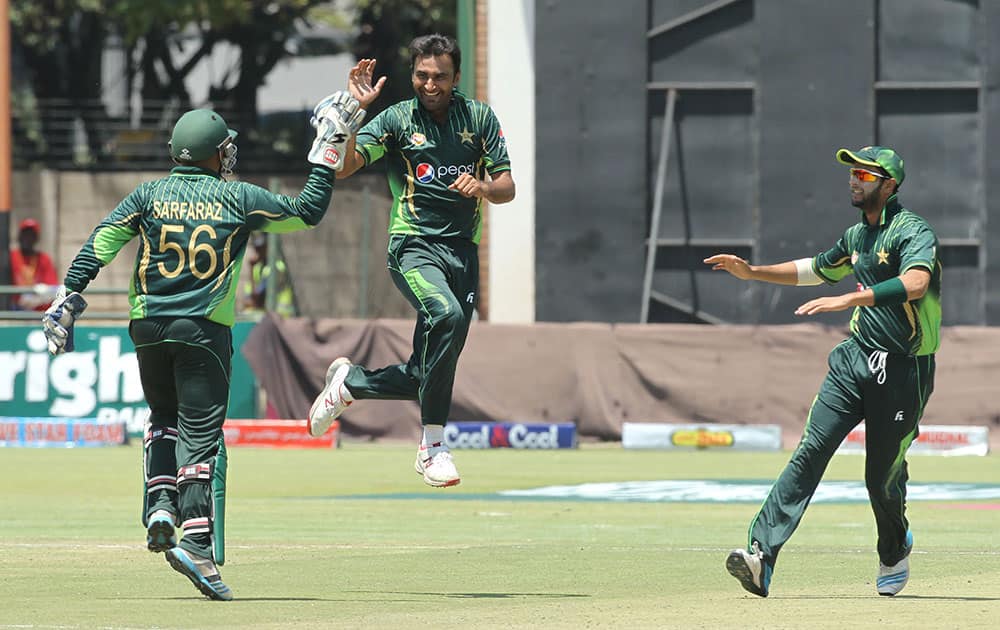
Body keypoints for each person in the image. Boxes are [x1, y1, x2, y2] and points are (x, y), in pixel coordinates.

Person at [41, 94, 365, 601]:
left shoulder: (147, 194)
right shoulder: (235, 198)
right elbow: (307, 212)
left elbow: (103, 240)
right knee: (200, 435)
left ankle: (161, 504)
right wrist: (327, 146)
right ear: (216, 154)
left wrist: (68, 295)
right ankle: (195, 539)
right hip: (203, 329)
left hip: (147, 326)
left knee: (161, 418)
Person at [704, 145, 940, 598]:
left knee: (881, 476)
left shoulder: (913, 231)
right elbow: (814, 270)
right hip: (853, 360)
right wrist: (753, 272)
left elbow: (917, 283)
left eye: (866, 176)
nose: (855, 181)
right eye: (852, 174)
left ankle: (894, 548)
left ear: (889, 185)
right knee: (811, 450)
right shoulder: (855, 236)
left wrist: (852, 298)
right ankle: (761, 555)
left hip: (905, 368)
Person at [306, 34, 516, 488]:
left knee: (431, 367)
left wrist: (481, 187)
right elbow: (344, 168)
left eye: (440, 76)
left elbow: (507, 187)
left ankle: (351, 384)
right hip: (413, 246)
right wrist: (356, 114)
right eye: (422, 75)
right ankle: (433, 445)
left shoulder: (478, 117)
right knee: (447, 312)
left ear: (456, 77)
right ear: (413, 76)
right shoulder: (398, 118)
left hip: (463, 250)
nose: (430, 84)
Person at [9, 218, 58, 310]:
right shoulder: (11, 257)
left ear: (36, 238)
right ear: (19, 236)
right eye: (25, 234)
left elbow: (53, 287)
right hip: (16, 307)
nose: (27, 238)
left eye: (31, 235)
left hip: (38, 309)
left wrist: (38, 298)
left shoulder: (43, 259)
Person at [243, 233, 296, 317]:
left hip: (281, 316)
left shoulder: (276, 268)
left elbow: (257, 300)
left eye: (260, 248)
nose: (257, 252)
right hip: (268, 315)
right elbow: (247, 300)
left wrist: (251, 268)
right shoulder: (259, 268)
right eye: (256, 248)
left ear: (268, 248)